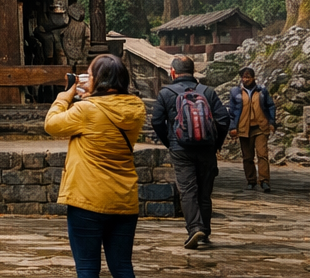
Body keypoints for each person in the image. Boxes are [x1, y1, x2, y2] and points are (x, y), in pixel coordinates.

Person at [44, 54, 147, 278]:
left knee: (88, 268)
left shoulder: (86, 110)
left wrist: (63, 98)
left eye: (90, 75)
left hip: (87, 200)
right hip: (124, 198)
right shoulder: (136, 108)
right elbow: (109, 108)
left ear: (99, 80)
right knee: (122, 267)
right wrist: (91, 96)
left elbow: (51, 125)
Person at [150, 54, 230, 249]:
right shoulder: (207, 92)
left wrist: (170, 141)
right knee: (204, 191)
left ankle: (194, 228)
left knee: (187, 190)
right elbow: (223, 120)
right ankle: (205, 230)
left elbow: (156, 121)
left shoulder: (166, 93)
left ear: (173, 72)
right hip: (206, 149)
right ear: (193, 71)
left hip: (180, 148)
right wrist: (215, 143)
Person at [227, 66, 276, 192]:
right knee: (247, 157)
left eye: (248, 77)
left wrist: (272, 122)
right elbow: (231, 111)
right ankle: (251, 180)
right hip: (243, 128)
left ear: (253, 78)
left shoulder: (262, 91)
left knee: (262, 154)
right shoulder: (235, 92)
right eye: (243, 77)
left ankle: (264, 181)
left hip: (260, 127)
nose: (245, 79)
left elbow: (270, 106)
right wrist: (232, 127)